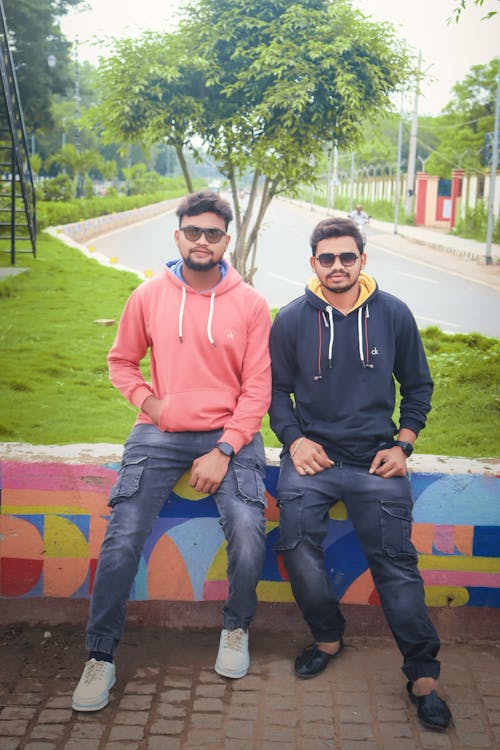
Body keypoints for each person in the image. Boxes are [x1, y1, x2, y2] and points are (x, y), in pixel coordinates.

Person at [72, 191, 272, 712]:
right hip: (159, 433)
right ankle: (100, 655)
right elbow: (122, 363)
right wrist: (150, 405)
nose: (202, 240)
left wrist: (225, 449)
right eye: (193, 231)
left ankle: (235, 627)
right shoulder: (147, 296)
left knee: (249, 533)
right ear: (178, 234)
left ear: (226, 240)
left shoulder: (250, 304)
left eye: (212, 233)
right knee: (122, 537)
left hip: (232, 433)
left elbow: (257, 390)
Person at [268, 216, 452, 732]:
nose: (338, 266)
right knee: (296, 545)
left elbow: (418, 386)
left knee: (395, 563)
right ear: (313, 264)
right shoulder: (290, 319)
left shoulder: (392, 314)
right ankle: (327, 637)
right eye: (327, 258)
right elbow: (275, 393)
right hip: (313, 460)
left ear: (362, 260)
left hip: (377, 460)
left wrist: (405, 444)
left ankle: (422, 676)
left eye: (347, 257)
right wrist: (296, 440)